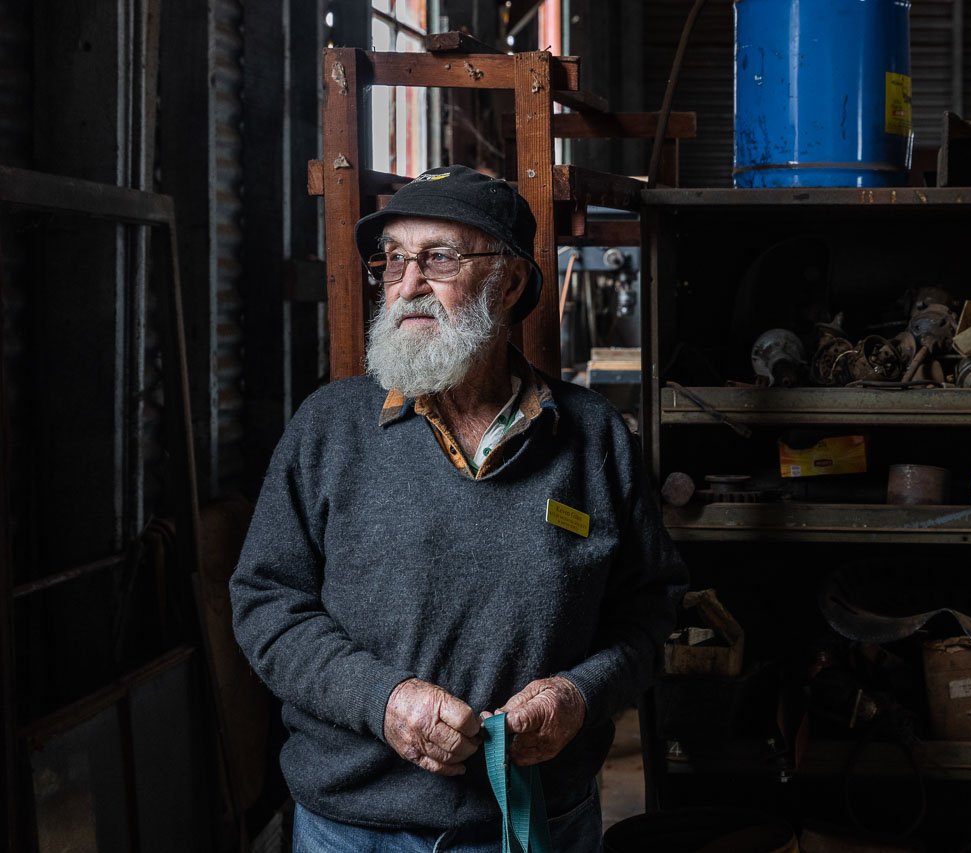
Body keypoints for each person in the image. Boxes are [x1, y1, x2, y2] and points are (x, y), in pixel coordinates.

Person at [229, 165, 686, 852]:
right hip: (355, 832)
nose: (407, 285)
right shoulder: (329, 429)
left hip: (538, 826)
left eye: (438, 258)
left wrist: (580, 694)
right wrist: (383, 701)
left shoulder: (593, 440)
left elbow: (650, 611)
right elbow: (265, 602)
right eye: (393, 260)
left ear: (507, 282)